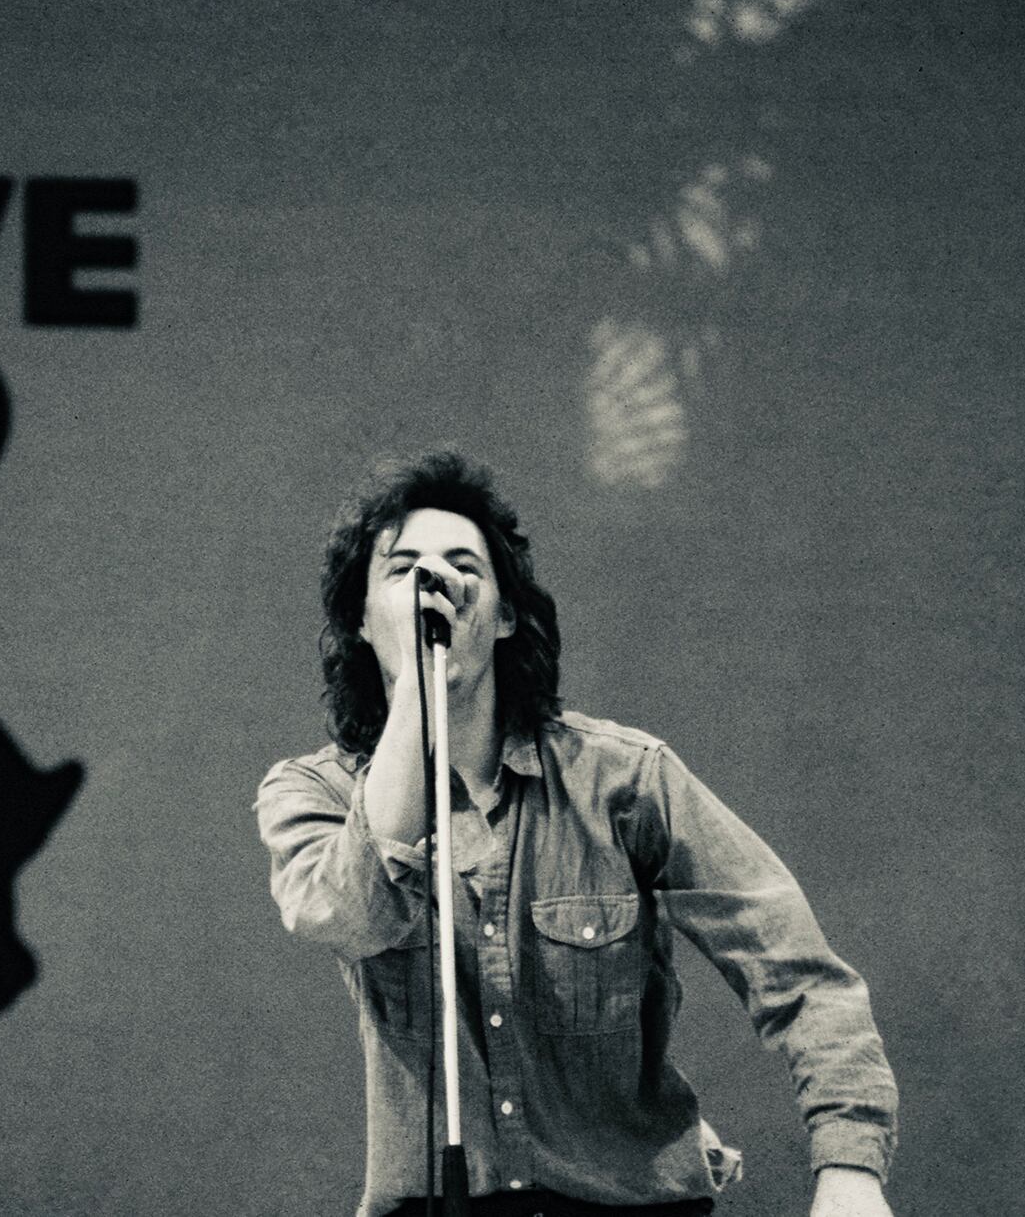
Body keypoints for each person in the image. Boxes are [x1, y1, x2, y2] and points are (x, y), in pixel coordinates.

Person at [254, 451, 897, 1217]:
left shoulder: (623, 779)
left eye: (463, 566)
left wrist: (850, 1168)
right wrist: (420, 699)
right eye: (402, 571)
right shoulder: (312, 792)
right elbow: (349, 913)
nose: (434, 583)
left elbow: (797, 971)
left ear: (501, 616)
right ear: (362, 621)